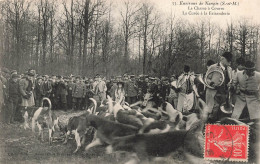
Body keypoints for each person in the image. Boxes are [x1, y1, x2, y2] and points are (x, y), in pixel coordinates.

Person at [205, 52, 233, 123]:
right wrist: (212, 83)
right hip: (214, 93)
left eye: (230, 60)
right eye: (228, 60)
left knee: (223, 113)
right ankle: (208, 126)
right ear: (222, 59)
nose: (229, 62)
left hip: (224, 94)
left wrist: (230, 84)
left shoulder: (229, 69)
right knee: (213, 111)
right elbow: (206, 78)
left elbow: (230, 80)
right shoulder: (213, 67)